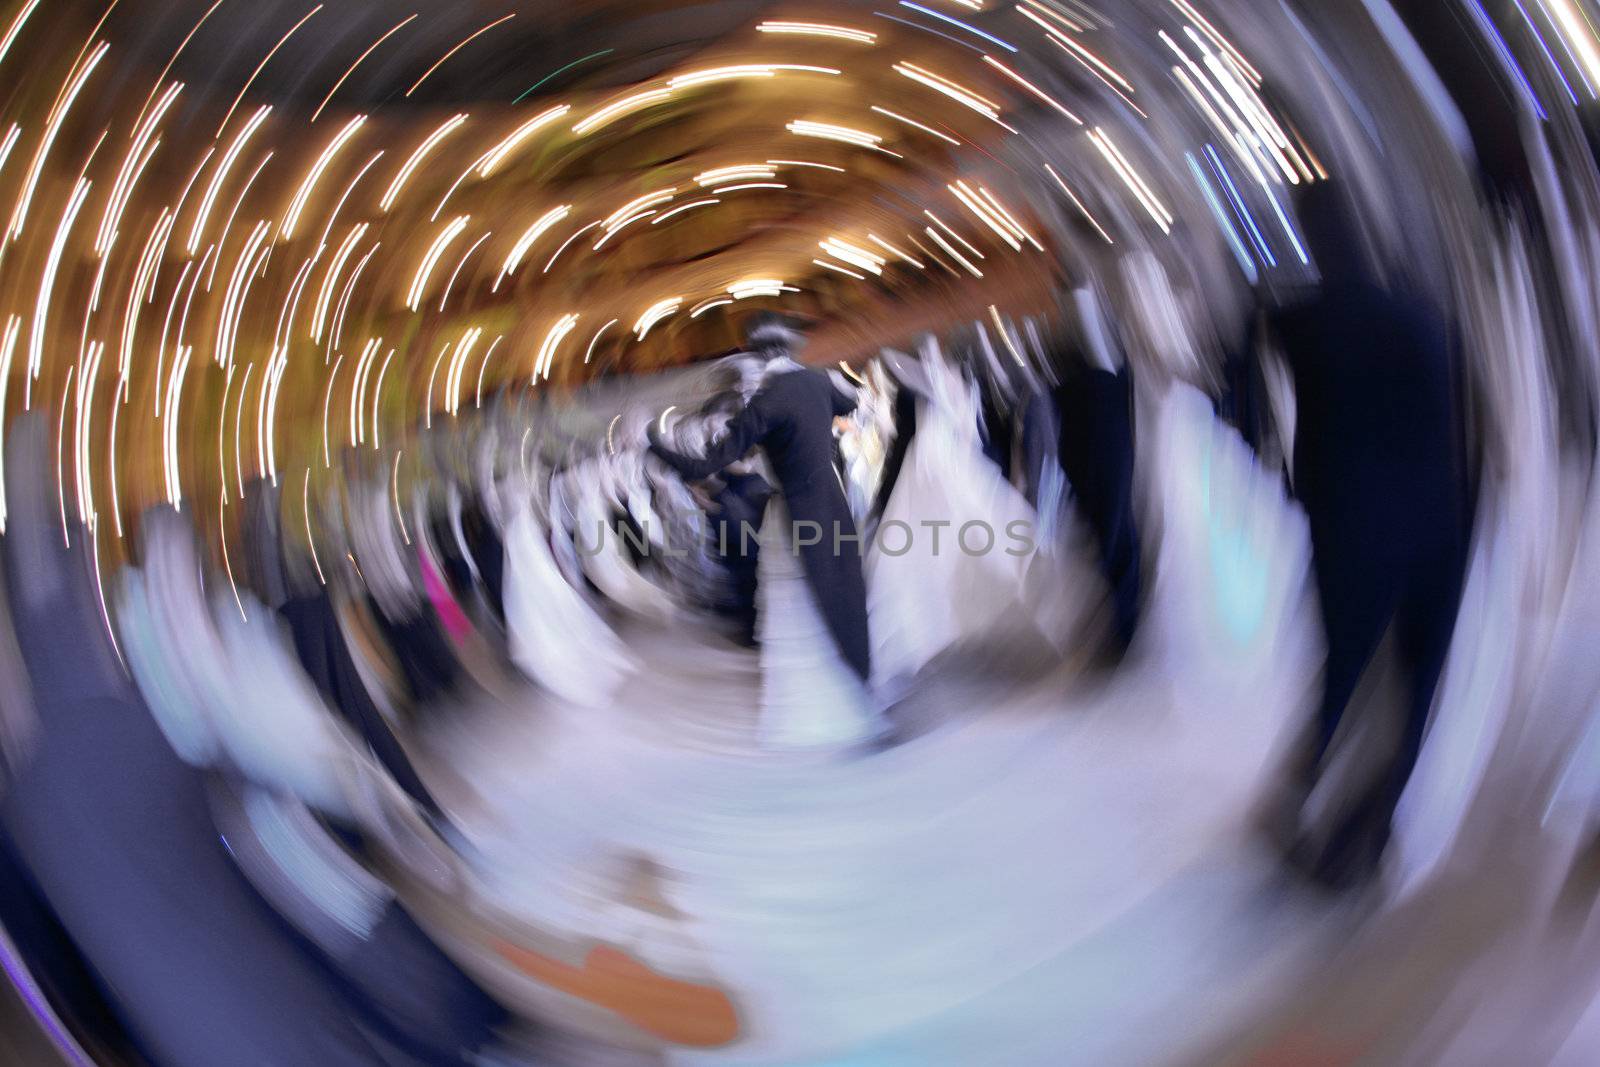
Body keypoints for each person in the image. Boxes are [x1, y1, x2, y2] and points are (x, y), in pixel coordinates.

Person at [1262, 179, 1473, 888]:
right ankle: (1369, 832)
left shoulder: (1297, 322)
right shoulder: (1423, 316)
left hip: (1351, 525)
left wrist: (1306, 498)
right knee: (1414, 687)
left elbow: (1300, 437)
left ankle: (1312, 823)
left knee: (1344, 673)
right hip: (1437, 522)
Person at [648, 314, 885, 751]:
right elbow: (851, 404)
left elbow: (704, 466)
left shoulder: (766, 401)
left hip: (795, 517)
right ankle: (859, 686)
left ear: (759, 357)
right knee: (841, 596)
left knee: (802, 603)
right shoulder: (816, 381)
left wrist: (658, 445)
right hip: (833, 505)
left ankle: (828, 708)